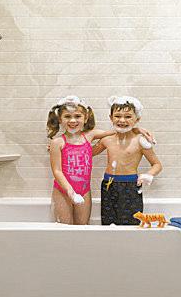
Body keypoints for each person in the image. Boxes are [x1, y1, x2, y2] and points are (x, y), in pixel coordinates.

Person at [47, 95, 154, 225]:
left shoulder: (90, 135)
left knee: (83, 227)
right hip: (63, 190)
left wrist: (137, 129)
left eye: (78, 116)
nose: (73, 120)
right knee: (64, 228)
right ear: (60, 119)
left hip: (84, 190)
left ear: (86, 118)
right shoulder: (57, 142)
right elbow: (57, 171)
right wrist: (70, 191)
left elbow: (118, 130)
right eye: (67, 116)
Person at [94, 96, 162, 225]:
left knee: (131, 224)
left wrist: (149, 174)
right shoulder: (106, 139)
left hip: (130, 185)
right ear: (111, 118)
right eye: (117, 116)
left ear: (137, 119)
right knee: (108, 223)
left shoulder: (140, 141)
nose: (122, 120)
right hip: (108, 185)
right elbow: (87, 153)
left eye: (128, 116)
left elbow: (157, 164)